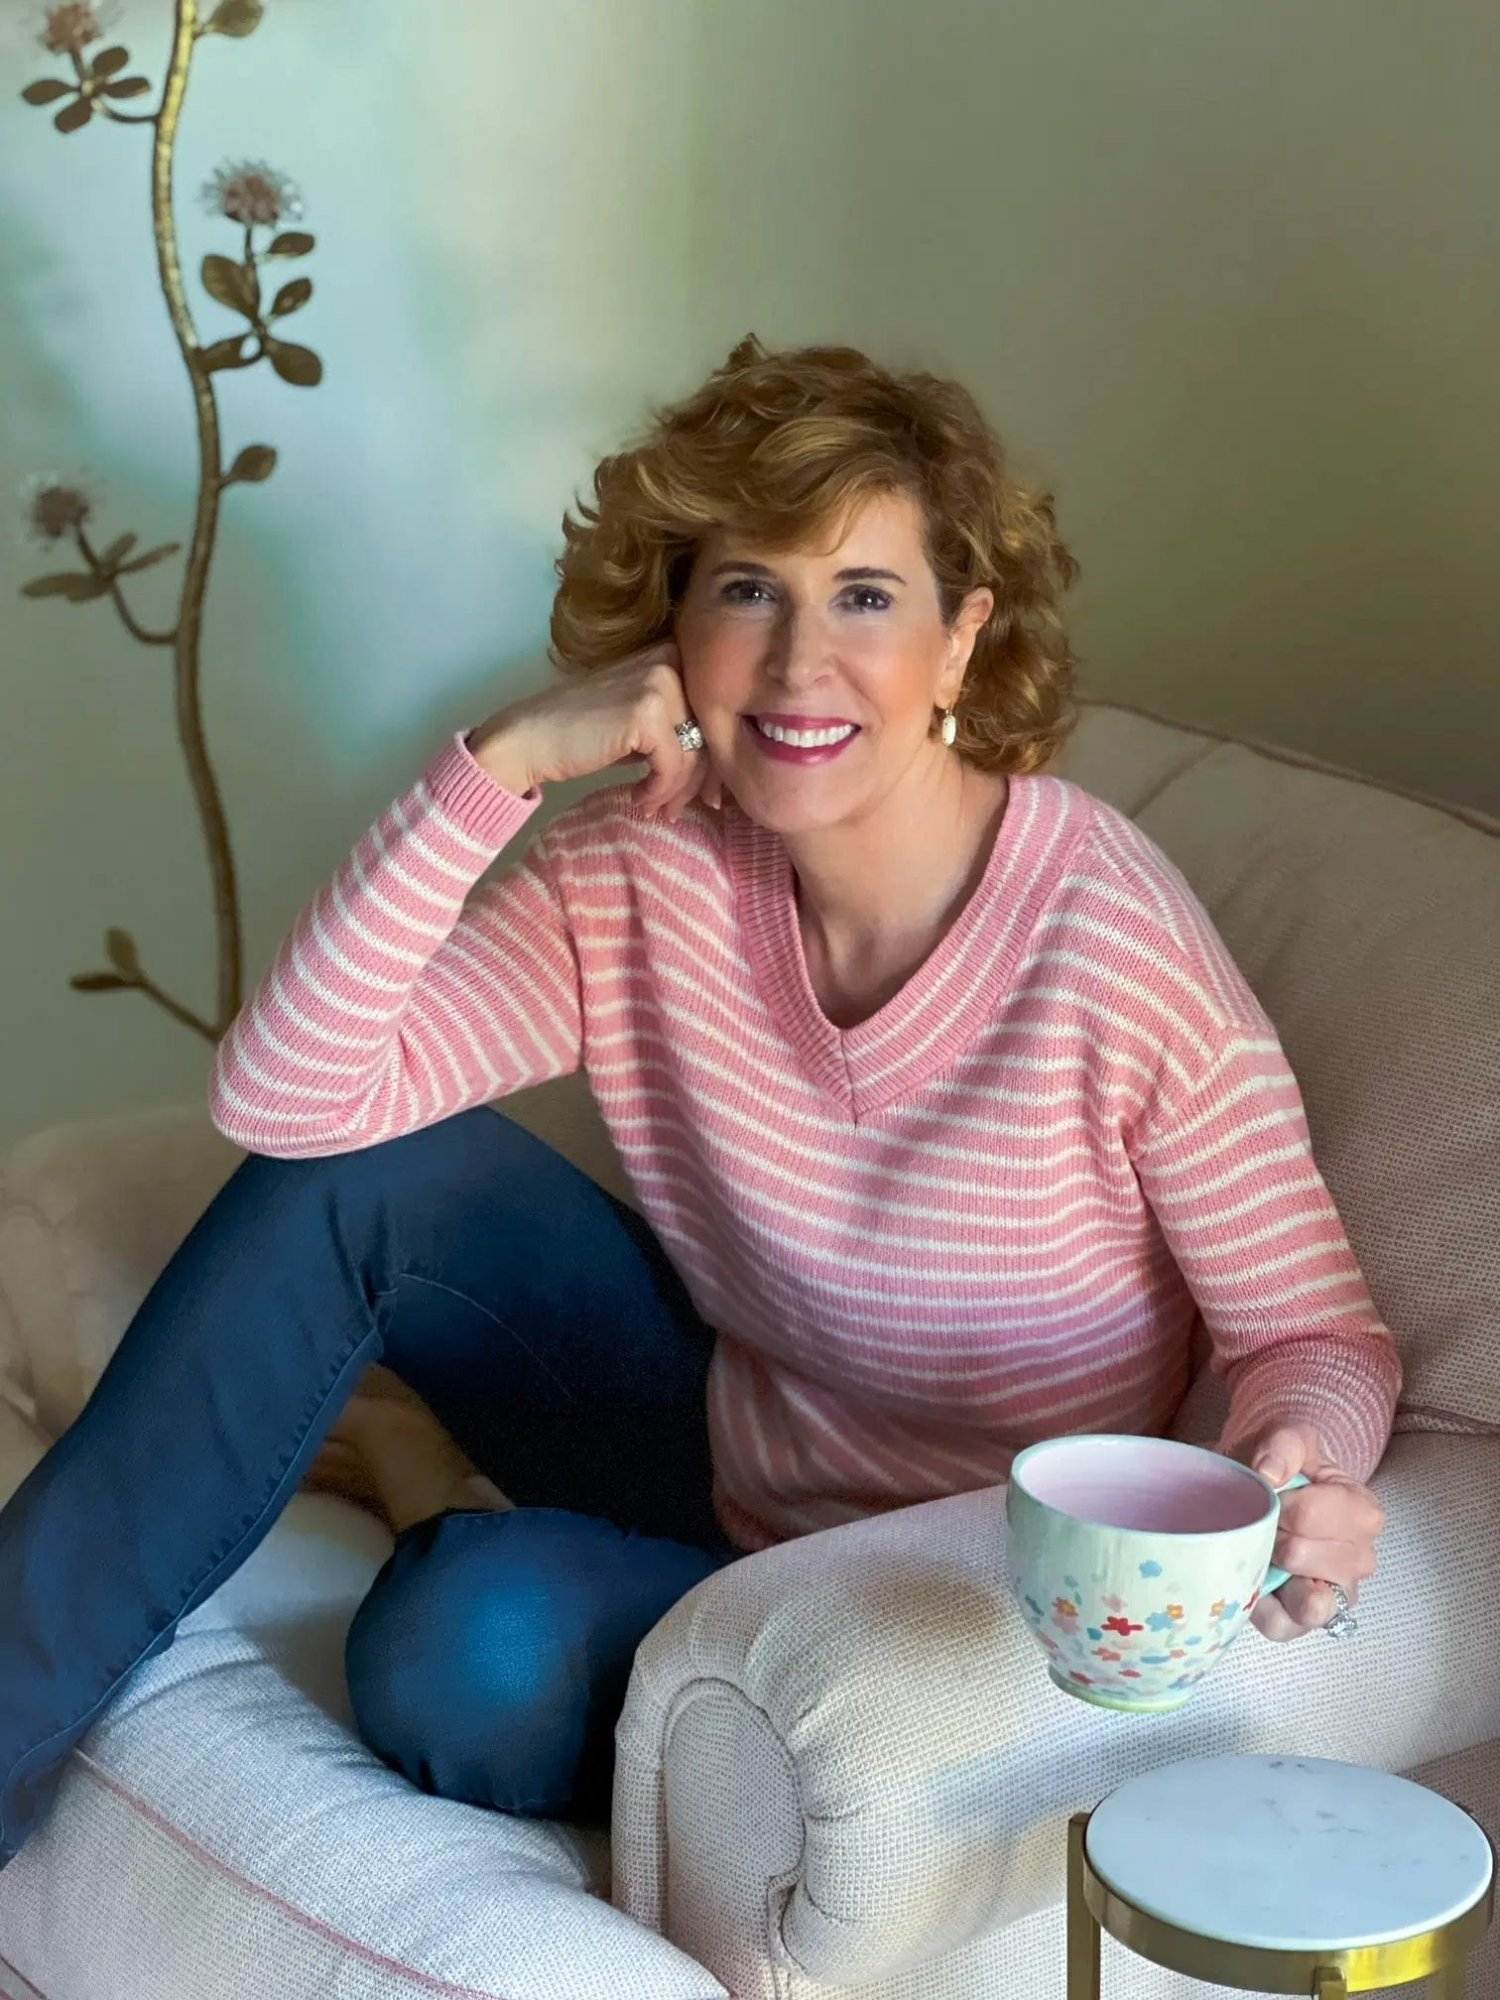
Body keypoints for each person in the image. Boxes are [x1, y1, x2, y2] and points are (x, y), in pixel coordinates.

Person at [0, 333, 1397, 1868]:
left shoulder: (1107, 936)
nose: (800, 664)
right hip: (725, 1451)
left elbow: (1309, 1337)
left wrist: (1302, 1466)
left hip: (959, 1589)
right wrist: (505, 763)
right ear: (674, 633)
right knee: (363, 1182)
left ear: (963, 641)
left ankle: (498, 1547)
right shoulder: (640, 873)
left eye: (865, 597)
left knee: (466, 1655)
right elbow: (293, 1101)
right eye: (748, 591)